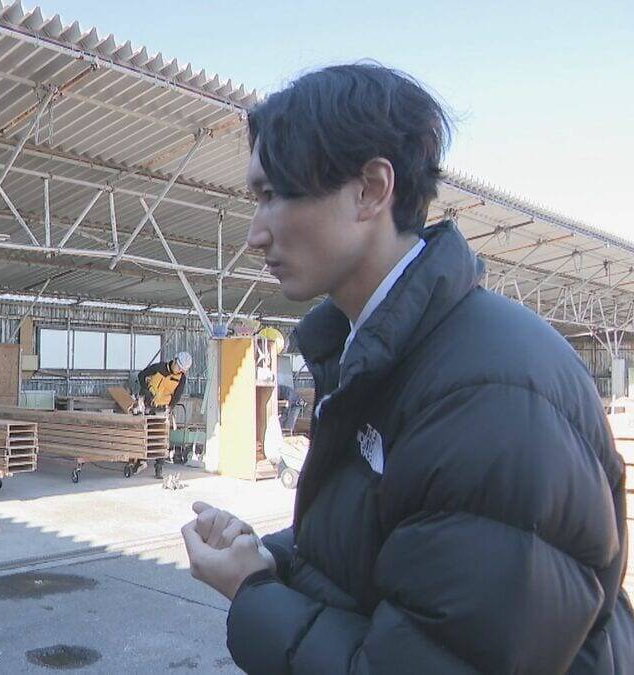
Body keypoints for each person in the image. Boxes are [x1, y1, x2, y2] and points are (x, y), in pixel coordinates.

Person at [182, 63, 632, 673]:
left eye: (273, 195)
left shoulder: (489, 398)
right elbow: (386, 552)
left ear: (371, 189)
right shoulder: (385, 358)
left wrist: (252, 592)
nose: (255, 234)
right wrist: (268, 558)